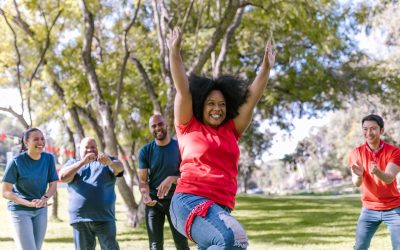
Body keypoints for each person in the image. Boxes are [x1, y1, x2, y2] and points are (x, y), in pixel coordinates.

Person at [167, 27, 276, 249]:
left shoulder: (231, 130)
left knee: (228, 245)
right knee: (234, 238)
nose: (217, 109)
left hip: (220, 207)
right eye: (211, 104)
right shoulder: (189, 126)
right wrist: (174, 52)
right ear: (201, 105)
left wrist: (265, 68)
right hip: (189, 200)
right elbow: (183, 89)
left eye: (222, 105)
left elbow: (252, 99)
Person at [59, 137, 124, 250]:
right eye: (86, 147)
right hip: (80, 219)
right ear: (80, 150)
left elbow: (120, 168)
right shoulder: (73, 163)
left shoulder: (106, 161)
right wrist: (82, 162)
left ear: (97, 148)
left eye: (93, 147)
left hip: (104, 217)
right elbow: (63, 177)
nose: (90, 150)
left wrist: (109, 162)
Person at [138, 114, 190, 250]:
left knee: (181, 244)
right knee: (155, 246)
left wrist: (172, 178)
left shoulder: (180, 147)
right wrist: (145, 194)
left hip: (177, 201)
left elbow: (189, 177)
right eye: (153, 126)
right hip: (154, 203)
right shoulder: (145, 151)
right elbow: (143, 180)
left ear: (167, 124)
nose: (157, 128)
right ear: (150, 129)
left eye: (160, 124)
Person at [349, 114, 400, 250]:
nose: (368, 133)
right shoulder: (356, 153)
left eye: (373, 129)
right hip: (369, 208)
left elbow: (389, 178)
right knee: (360, 247)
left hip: (394, 208)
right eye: (365, 129)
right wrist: (359, 175)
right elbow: (356, 183)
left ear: (381, 130)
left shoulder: (394, 152)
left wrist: (377, 171)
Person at [2, 128, 58, 250]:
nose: (41, 142)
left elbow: (53, 183)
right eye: (36, 139)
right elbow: (6, 192)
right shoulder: (16, 161)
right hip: (19, 210)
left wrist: (44, 198)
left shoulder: (48, 159)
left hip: (41, 210)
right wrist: (28, 203)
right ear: (26, 142)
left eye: (42, 139)